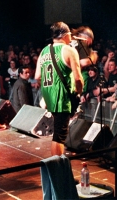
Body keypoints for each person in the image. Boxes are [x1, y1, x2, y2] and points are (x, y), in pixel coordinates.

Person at [35, 21, 83, 156]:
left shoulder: (44, 50)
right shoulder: (69, 50)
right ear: (65, 35)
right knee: (60, 136)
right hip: (62, 98)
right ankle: (57, 167)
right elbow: (79, 78)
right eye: (69, 35)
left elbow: (38, 76)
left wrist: (46, 92)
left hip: (49, 97)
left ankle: (56, 165)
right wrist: (78, 93)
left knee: (57, 132)